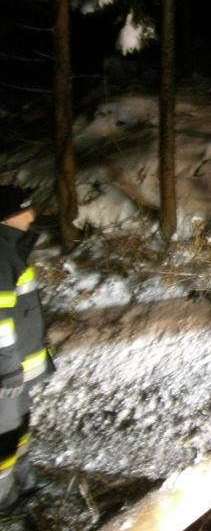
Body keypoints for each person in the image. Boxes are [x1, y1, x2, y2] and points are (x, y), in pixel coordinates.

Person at [0, 185, 54, 509]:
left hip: (16, 371)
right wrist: (7, 368)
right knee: (4, 437)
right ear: (6, 217)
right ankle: (4, 502)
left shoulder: (9, 249)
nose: (32, 215)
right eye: (25, 209)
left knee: (19, 428)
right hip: (6, 374)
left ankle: (24, 484)